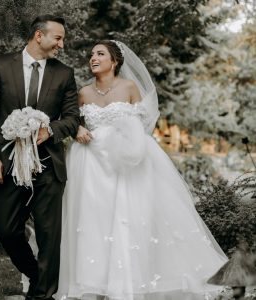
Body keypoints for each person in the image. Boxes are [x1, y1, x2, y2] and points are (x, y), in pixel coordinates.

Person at [50, 40, 229, 300]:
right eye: (91, 55)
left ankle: (127, 281)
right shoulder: (84, 92)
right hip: (90, 162)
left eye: (100, 54)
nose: (93, 58)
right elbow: (72, 121)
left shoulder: (129, 87)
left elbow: (143, 123)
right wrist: (78, 128)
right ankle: (91, 282)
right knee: (92, 219)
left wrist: (128, 143)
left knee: (125, 216)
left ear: (115, 61)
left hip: (125, 161)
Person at [0, 15, 80, 300]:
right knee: (7, 230)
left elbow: (73, 118)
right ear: (39, 35)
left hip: (49, 166)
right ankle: (39, 276)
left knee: (49, 236)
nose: (62, 44)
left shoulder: (64, 73)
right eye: (58, 38)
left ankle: (43, 295)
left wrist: (51, 130)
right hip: (8, 165)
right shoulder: (1, 66)